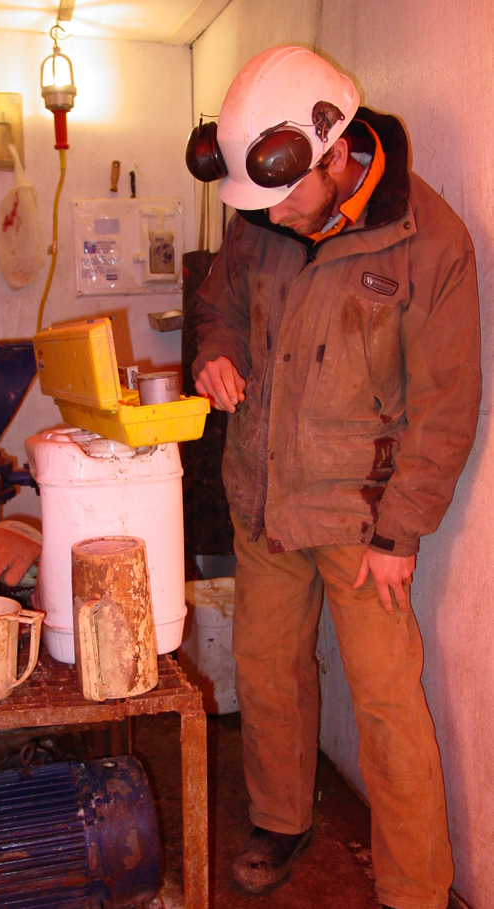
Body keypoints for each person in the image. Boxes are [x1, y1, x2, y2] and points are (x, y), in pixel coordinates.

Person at [186, 46, 481, 909]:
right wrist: (217, 350)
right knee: (268, 670)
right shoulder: (263, 219)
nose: (269, 215)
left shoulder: (433, 243)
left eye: (281, 194)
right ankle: (282, 819)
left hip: (364, 524)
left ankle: (417, 889)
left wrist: (401, 533)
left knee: (388, 709)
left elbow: (446, 404)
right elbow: (219, 302)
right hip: (264, 496)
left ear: (332, 151)